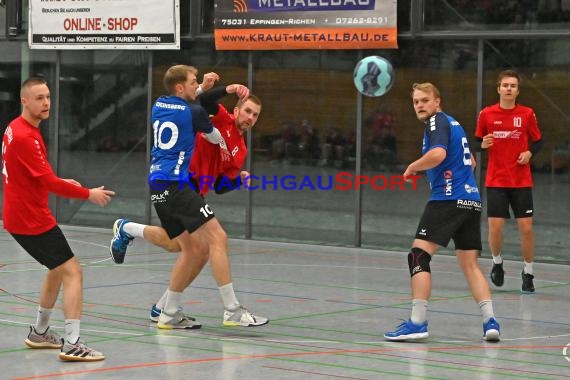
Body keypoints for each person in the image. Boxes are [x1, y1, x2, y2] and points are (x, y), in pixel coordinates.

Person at [110, 65, 267, 329]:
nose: (250, 117)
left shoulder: (240, 151)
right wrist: (227, 89)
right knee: (215, 239)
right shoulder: (221, 118)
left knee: (186, 250)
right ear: (237, 110)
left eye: (255, 115)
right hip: (182, 182)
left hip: (189, 189)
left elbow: (219, 185)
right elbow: (202, 101)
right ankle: (231, 310)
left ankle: (164, 309)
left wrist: (238, 180)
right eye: (247, 111)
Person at [2, 77, 115, 361]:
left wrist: (54, 180)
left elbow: (31, 174)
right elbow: (48, 182)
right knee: (73, 271)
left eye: (48, 97)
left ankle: (39, 332)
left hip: (21, 215)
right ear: (24, 101)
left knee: (57, 268)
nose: (46, 103)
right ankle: (72, 343)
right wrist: (87, 193)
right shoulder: (27, 136)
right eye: (39, 98)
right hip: (31, 220)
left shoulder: (16, 128)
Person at [384, 82, 500, 342]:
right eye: (416, 102)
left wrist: (413, 167)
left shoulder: (437, 122)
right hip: (471, 200)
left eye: (425, 100)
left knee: (418, 256)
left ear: (438, 102)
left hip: (447, 199)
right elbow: (470, 162)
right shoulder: (455, 125)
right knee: (470, 264)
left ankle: (417, 322)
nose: (420, 105)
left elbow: (437, 154)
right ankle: (490, 322)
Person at [475, 70, 543, 293]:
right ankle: (497, 263)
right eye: (505, 85)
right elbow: (476, 141)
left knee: (526, 227)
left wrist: (530, 153)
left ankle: (529, 271)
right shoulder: (486, 114)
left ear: (517, 90)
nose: (508, 88)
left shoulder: (527, 114)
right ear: (498, 88)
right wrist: (482, 145)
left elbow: (538, 142)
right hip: (496, 179)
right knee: (496, 227)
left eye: (513, 85)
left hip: (521, 180)